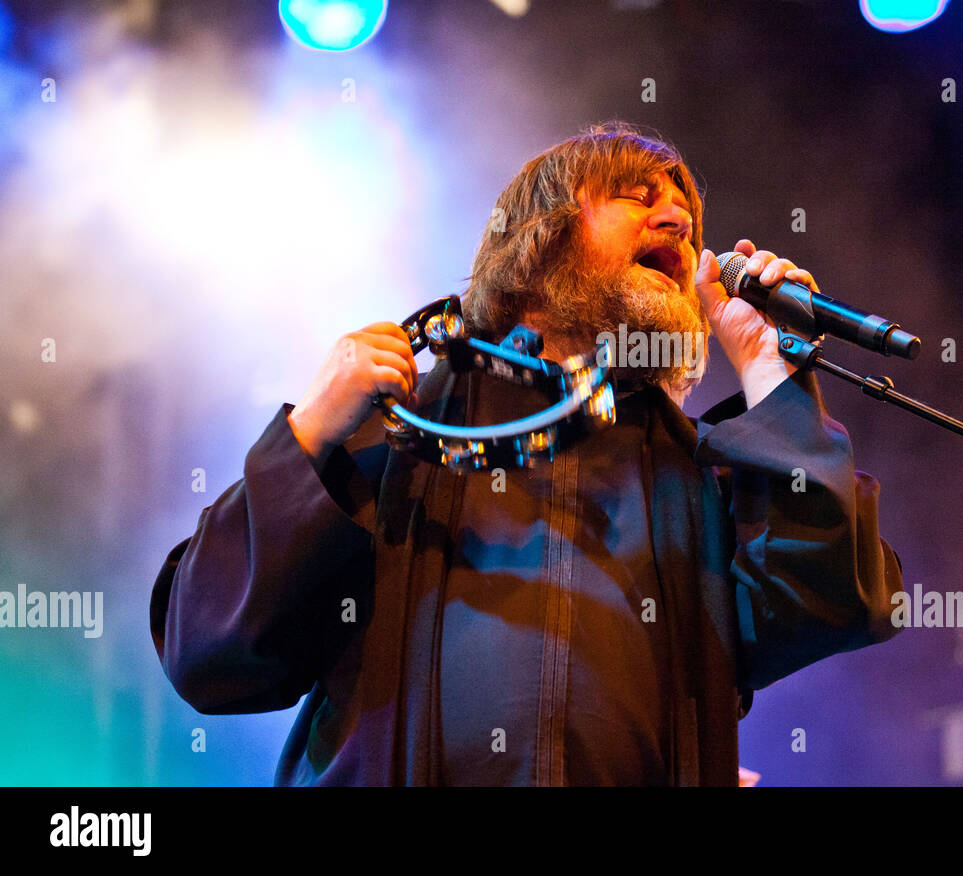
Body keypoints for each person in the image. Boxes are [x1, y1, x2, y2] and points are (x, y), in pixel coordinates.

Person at [149, 122, 904, 786]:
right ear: (541, 233)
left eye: (683, 208)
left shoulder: (701, 474)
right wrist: (311, 433)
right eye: (638, 196)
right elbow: (211, 654)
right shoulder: (407, 423)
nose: (677, 218)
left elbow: (836, 601)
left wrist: (771, 370)